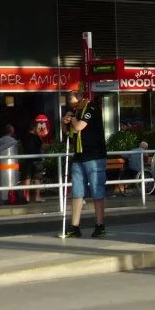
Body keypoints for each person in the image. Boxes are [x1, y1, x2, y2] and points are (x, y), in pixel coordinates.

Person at [61, 91, 108, 238]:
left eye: (74, 102)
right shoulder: (77, 113)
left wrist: (73, 118)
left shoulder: (91, 110)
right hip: (79, 157)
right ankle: (74, 226)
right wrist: (64, 122)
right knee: (77, 192)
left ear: (83, 100)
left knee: (96, 191)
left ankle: (100, 225)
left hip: (94, 156)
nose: (72, 105)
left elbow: (79, 127)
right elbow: (70, 133)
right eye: (70, 102)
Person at [20, 120, 45, 203]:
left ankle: (26, 197)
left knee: (28, 178)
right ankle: (37, 197)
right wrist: (38, 134)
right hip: (37, 159)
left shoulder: (24, 137)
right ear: (34, 128)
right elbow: (42, 147)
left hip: (27, 160)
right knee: (37, 178)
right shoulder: (36, 137)